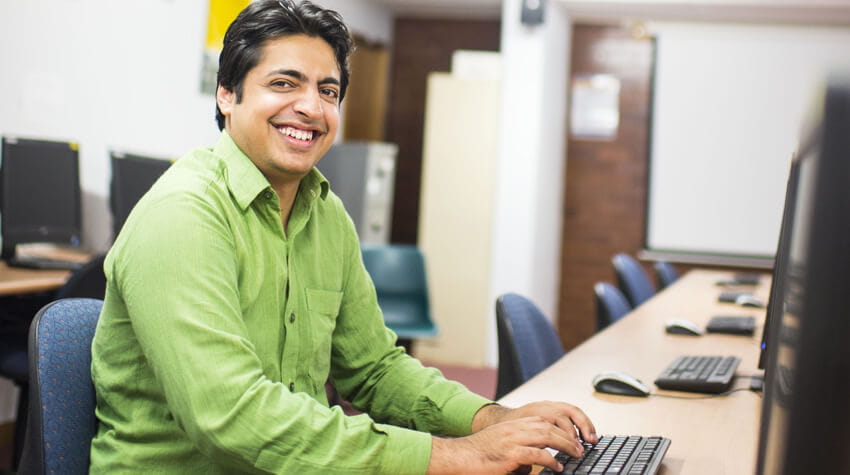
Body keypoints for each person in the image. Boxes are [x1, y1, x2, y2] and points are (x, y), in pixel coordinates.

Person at [89, 0, 597, 473]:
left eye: (327, 91)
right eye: (284, 83)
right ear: (228, 94)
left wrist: (489, 421)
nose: (311, 107)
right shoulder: (184, 215)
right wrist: (455, 455)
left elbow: (374, 369)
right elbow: (231, 415)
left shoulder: (326, 215)